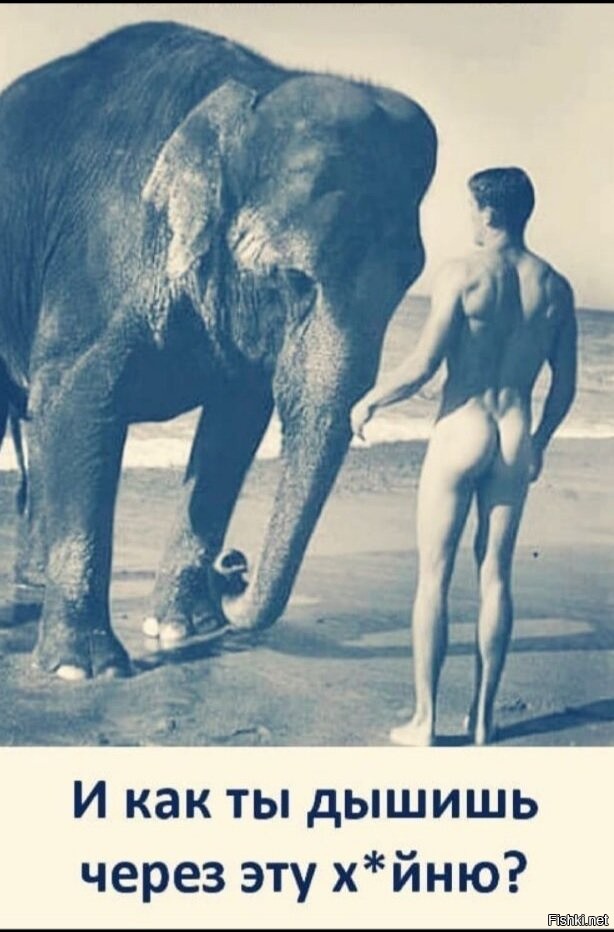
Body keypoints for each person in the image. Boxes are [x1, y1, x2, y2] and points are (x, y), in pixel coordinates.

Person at [351, 167, 577, 745]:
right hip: (513, 433)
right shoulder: (555, 288)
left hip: (461, 429)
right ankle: (483, 719)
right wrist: (541, 441)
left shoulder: (460, 274)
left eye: (473, 208)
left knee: (434, 577)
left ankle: (425, 721)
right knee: (496, 575)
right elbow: (566, 385)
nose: (470, 219)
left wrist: (370, 399)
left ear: (490, 213)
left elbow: (423, 366)